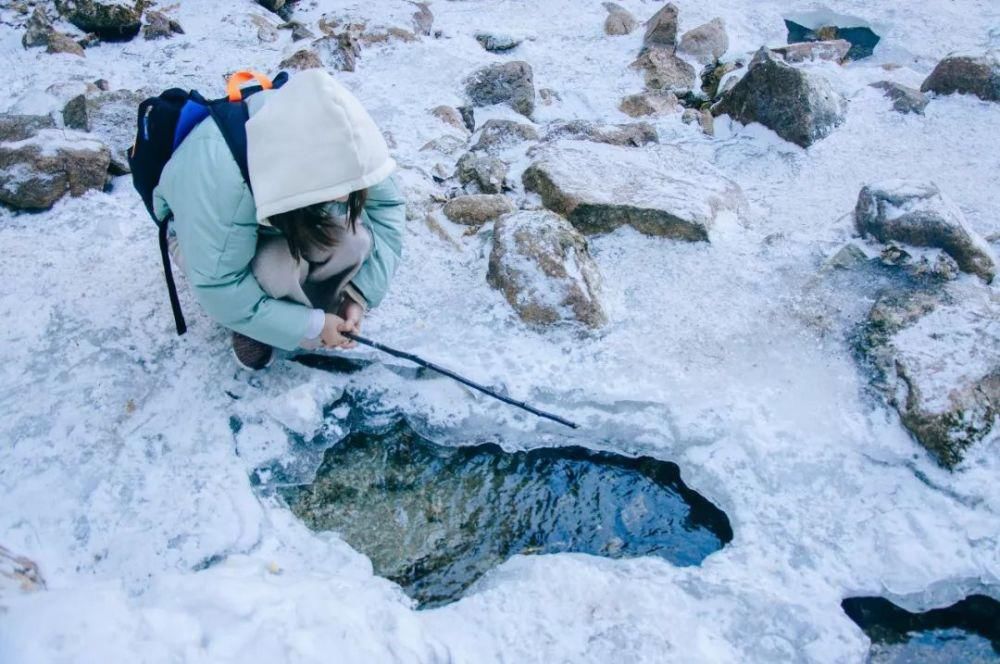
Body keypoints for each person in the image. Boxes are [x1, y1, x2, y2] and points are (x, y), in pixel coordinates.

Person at [152, 69, 405, 370]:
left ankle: (297, 310)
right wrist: (308, 326)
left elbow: (388, 207)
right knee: (281, 271)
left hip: (274, 207)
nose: (343, 198)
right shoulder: (221, 176)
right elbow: (219, 285)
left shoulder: (345, 141)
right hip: (198, 232)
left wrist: (358, 296)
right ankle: (256, 327)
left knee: (354, 240)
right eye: (338, 187)